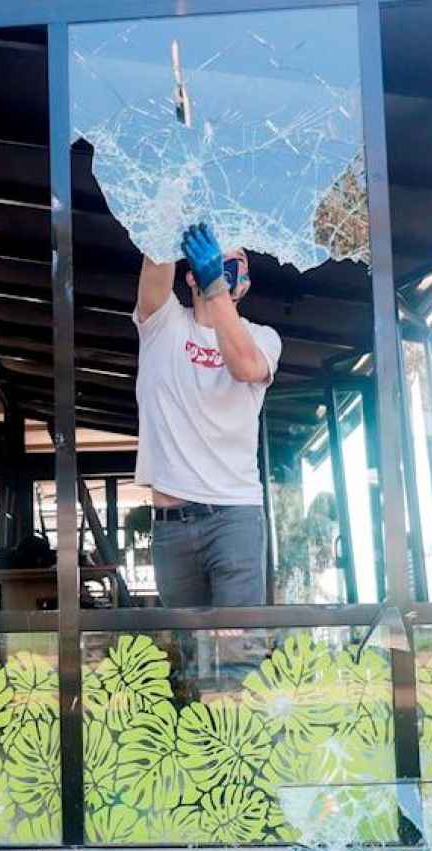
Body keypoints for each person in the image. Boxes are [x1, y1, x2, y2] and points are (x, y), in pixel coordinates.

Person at [133, 222, 281, 608]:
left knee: (236, 650)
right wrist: (170, 214)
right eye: (213, 258)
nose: (222, 266)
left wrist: (216, 286)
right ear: (189, 275)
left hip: (233, 516)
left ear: (244, 282)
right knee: (187, 652)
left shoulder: (263, 338)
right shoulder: (162, 324)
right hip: (171, 521)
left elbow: (245, 366)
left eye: (234, 262)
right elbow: (153, 267)